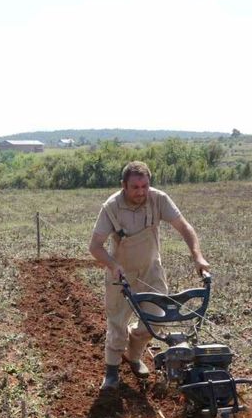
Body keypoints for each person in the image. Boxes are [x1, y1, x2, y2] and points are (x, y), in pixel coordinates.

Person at [89, 161, 210, 390]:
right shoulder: (111, 207)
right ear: (124, 185)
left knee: (154, 321)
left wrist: (198, 256)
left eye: (145, 186)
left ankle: (133, 357)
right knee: (117, 324)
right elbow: (95, 246)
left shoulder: (158, 199)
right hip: (120, 274)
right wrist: (113, 265)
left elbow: (184, 227)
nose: (141, 192)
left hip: (151, 271)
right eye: (135, 187)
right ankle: (112, 373)